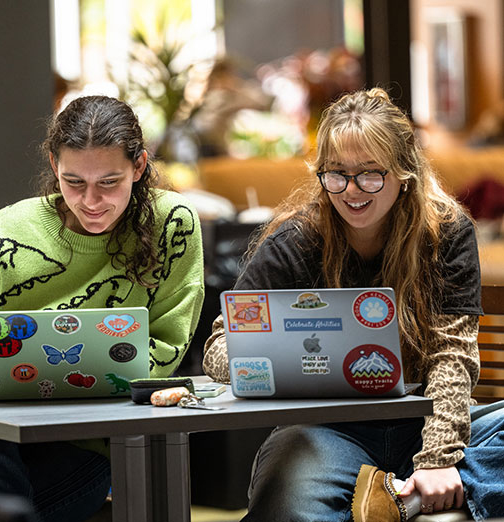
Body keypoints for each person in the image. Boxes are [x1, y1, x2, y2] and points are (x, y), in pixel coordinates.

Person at [203, 88, 504, 521]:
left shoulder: (446, 232)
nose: (351, 190)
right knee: (286, 507)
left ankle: (399, 501)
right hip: (325, 429)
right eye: (336, 173)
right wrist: (270, 356)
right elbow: (219, 348)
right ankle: (395, 497)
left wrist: (438, 458)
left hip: (422, 416)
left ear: (404, 172)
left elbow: (452, 357)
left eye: (370, 174)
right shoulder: (292, 243)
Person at [0, 95, 205, 521]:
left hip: (85, 446)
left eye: (109, 182)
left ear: (139, 166)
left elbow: (166, 347)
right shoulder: (10, 229)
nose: (91, 201)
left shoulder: (172, 223)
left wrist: (46, 384)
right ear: (53, 164)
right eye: (74, 182)